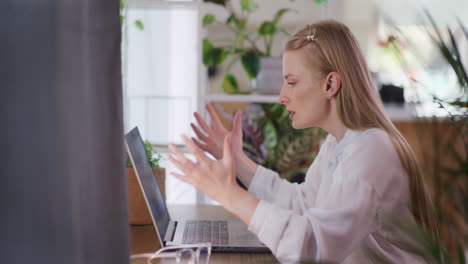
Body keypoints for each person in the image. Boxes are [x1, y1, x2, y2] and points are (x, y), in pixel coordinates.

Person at [167, 20, 438, 263]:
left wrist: (229, 195)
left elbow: (315, 248)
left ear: (331, 85)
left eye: (292, 82)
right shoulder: (339, 143)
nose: (282, 96)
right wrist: (238, 162)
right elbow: (303, 204)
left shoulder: (370, 151)